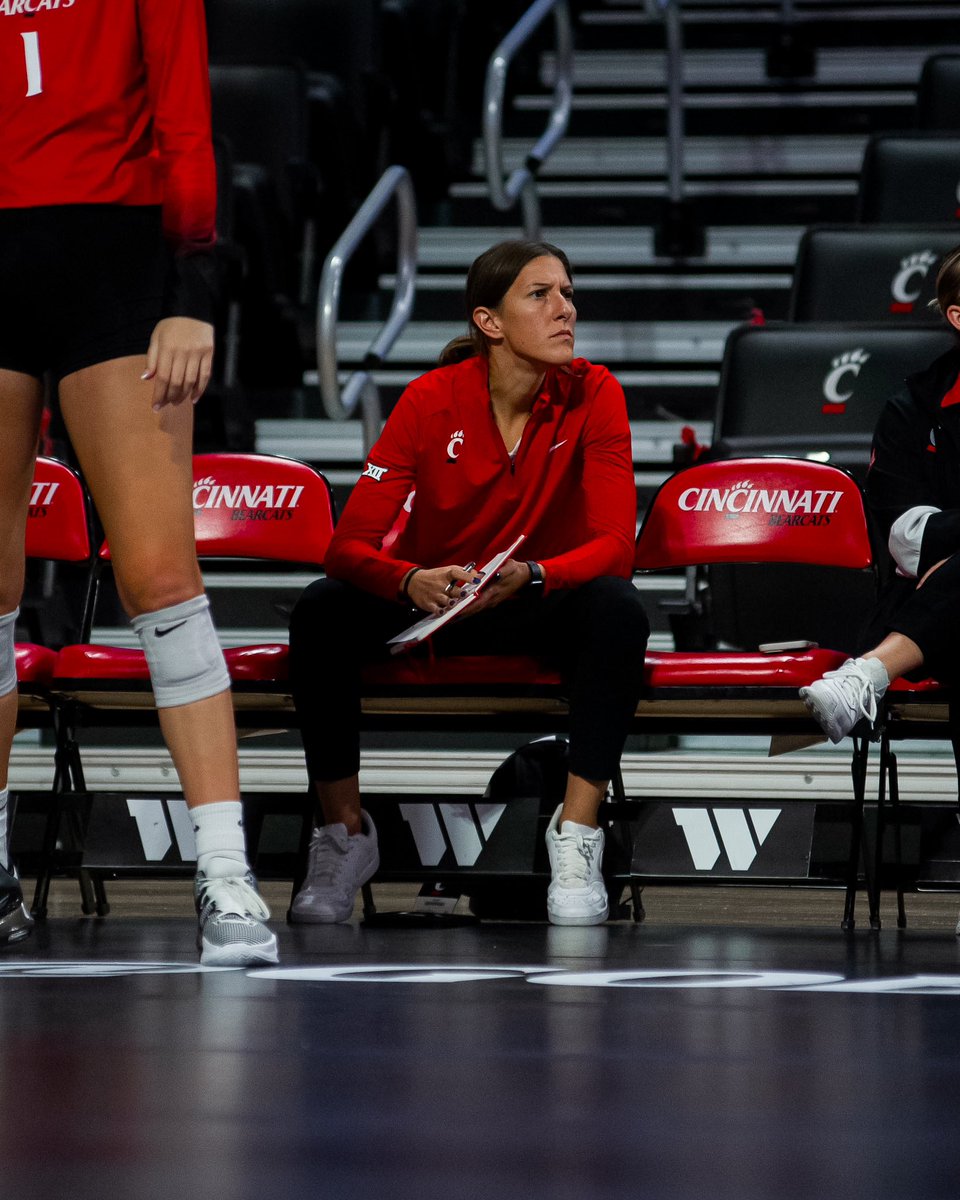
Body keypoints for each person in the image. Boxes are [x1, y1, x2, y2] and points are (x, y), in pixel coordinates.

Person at [0, 0, 277, 965]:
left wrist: (191, 289)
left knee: (160, 577)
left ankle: (226, 871)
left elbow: (184, 121)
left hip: (111, 259)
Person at [288, 239, 649, 927]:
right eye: (540, 295)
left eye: (568, 293)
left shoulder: (596, 394)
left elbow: (615, 547)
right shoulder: (429, 400)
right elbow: (346, 548)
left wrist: (538, 575)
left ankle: (575, 837)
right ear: (489, 321)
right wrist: (408, 581)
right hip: (436, 604)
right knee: (322, 610)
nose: (564, 309)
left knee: (617, 608)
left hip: (533, 599)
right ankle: (344, 836)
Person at [800, 245, 960, 929]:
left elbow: (934, 533)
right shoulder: (915, 406)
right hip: (934, 610)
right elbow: (903, 536)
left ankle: (868, 674)